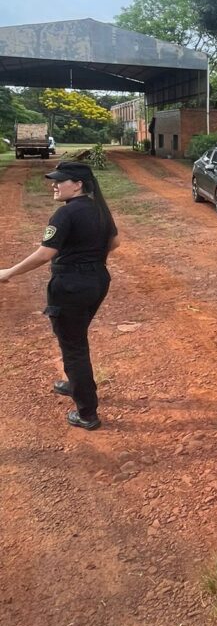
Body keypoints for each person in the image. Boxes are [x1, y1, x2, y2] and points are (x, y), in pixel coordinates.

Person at [0, 160, 119, 430]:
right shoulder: (99, 209)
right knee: (76, 337)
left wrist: (9, 272)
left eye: (60, 180)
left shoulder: (65, 215)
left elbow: (45, 254)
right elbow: (115, 243)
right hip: (97, 280)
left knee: (73, 347)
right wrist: (88, 258)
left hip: (70, 286)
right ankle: (75, 382)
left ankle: (87, 414)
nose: (54, 185)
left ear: (77, 184)